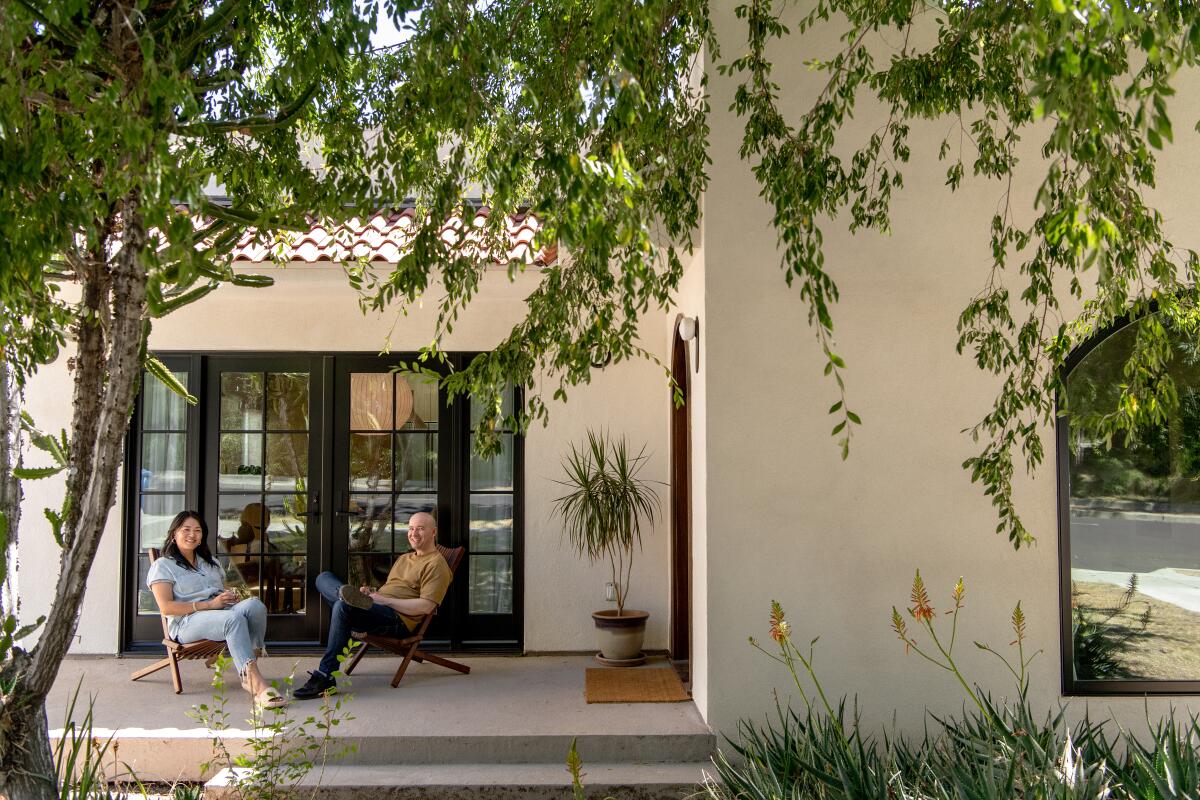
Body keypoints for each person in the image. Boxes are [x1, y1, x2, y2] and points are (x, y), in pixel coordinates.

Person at [293, 511, 451, 699]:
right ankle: (349, 598)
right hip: (377, 608)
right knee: (323, 577)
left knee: (342, 608)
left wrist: (384, 600)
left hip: (397, 620)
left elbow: (426, 607)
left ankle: (326, 676)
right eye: (410, 528)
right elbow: (392, 589)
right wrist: (373, 593)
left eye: (420, 529)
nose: (413, 533)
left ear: (433, 532)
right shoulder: (405, 558)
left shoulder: (436, 564)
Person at [147, 511, 287, 710]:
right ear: (173, 534)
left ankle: (249, 666)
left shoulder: (210, 563)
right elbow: (166, 607)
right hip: (186, 622)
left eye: (197, 530)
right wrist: (210, 605)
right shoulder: (164, 565)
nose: (192, 534)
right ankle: (256, 684)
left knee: (255, 605)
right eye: (186, 530)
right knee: (232, 620)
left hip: (219, 615)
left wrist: (228, 597)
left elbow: (220, 593)